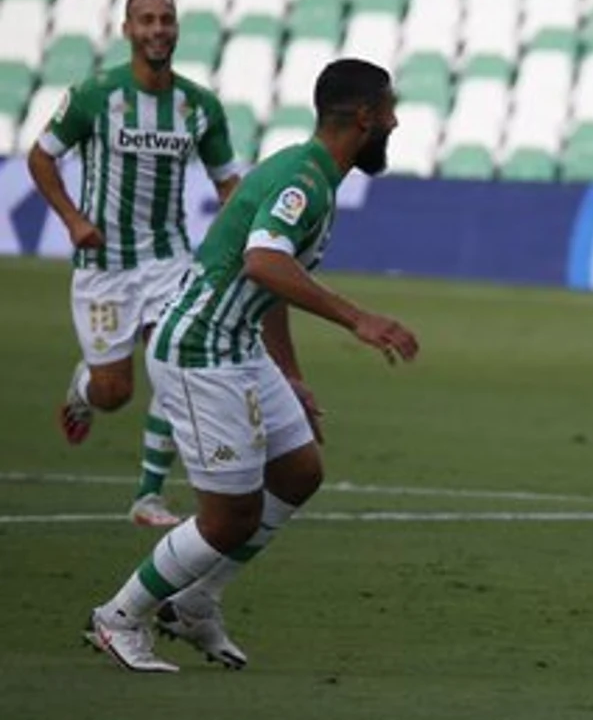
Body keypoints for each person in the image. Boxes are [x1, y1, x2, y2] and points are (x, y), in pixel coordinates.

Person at [83, 58, 420, 673]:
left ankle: (195, 602)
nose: (396, 121)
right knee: (228, 516)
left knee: (299, 473)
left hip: (238, 344)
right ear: (366, 116)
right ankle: (117, 618)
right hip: (200, 350)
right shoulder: (304, 180)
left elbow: (272, 281)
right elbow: (265, 263)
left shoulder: (315, 172)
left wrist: (289, 374)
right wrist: (359, 320)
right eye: (390, 110)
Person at [29, 0, 242, 528]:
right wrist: (74, 220)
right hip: (105, 267)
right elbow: (40, 159)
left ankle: (148, 496)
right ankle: (84, 388)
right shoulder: (95, 95)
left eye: (165, 19)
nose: (156, 30)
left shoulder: (200, 106)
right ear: (127, 30)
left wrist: (249, 234)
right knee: (114, 393)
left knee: (174, 366)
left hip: (170, 259)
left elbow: (228, 188)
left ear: (176, 28)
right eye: (145, 20)